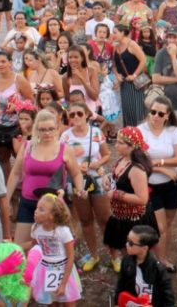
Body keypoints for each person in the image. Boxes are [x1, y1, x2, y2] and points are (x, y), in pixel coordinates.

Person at [5, 109, 85, 246]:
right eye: (42, 130)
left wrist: (80, 189)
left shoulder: (64, 149)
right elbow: (16, 173)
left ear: (57, 129)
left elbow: (76, 173)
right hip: (28, 202)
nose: (47, 133)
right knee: (21, 246)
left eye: (50, 129)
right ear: (36, 129)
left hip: (53, 205)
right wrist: (6, 199)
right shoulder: (28, 146)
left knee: (54, 246)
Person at [60, 102, 111, 272]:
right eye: (72, 114)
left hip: (97, 178)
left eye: (79, 114)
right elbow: (62, 159)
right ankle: (94, 255)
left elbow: (107, 155)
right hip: (76, 182)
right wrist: (74, 166)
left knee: (105, 218)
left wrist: (95, 164)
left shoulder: (96, 132)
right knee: (86, 220)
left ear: (87, 115)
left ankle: (114, 255)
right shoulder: (65, 137)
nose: (75, 117)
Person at [138, 96, 177, 272]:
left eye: (160, 113)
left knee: (167, 224)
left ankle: (161, 256)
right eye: (152, 112)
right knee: (161, 226)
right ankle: (160, 262)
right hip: (150, 186)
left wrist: (157, 163)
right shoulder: (140, 131)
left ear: (167, 115)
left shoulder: (174, 131)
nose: (155, 116)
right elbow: (140, 161)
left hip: (172, 185)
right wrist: (164, 168)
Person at [103, 126, 159, 273]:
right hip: (121, 216)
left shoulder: (136, 169)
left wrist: (116, 195)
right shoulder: (123, 160)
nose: (115, 145)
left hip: (133, 220)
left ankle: (140, 282)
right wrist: (108, 178)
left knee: (136, 255)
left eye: (120, 143)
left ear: (132, 146)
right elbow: (120, 179)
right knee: (126, 253)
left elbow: (142, 198)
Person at [27, 192, 82, 305]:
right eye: (37, 207)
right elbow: (34, 248)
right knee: (51, 301)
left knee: (69, 301)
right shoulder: (35, 229)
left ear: (51, 216)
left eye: (41, 209)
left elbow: (71, 256)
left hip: (64, 269)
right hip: (45, 270)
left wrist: (63, 284)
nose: (36, 211)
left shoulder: (63, 231)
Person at [115, 224, 176, 306]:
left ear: (144, 248)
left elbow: (168, 299)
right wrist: (116, 302)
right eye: (127, 240)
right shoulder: (126, 261)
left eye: (131, 243)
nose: (126, 244)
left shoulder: (158, 269)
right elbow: (120, 286)